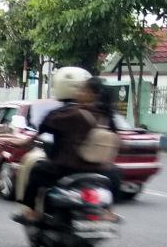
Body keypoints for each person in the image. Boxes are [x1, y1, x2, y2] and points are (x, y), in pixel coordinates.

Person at [16, 66, 120, 221]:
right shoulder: (107, 116)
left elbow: (46, 124)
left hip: (68, 168)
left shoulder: (72, 113)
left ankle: (31, 212)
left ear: (91, 94)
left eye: (83, 90)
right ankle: (109, 212)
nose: (79, 93)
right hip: (101, 169)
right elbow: (117, 139)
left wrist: (28, 141)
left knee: (37, 170)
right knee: (117, 173)